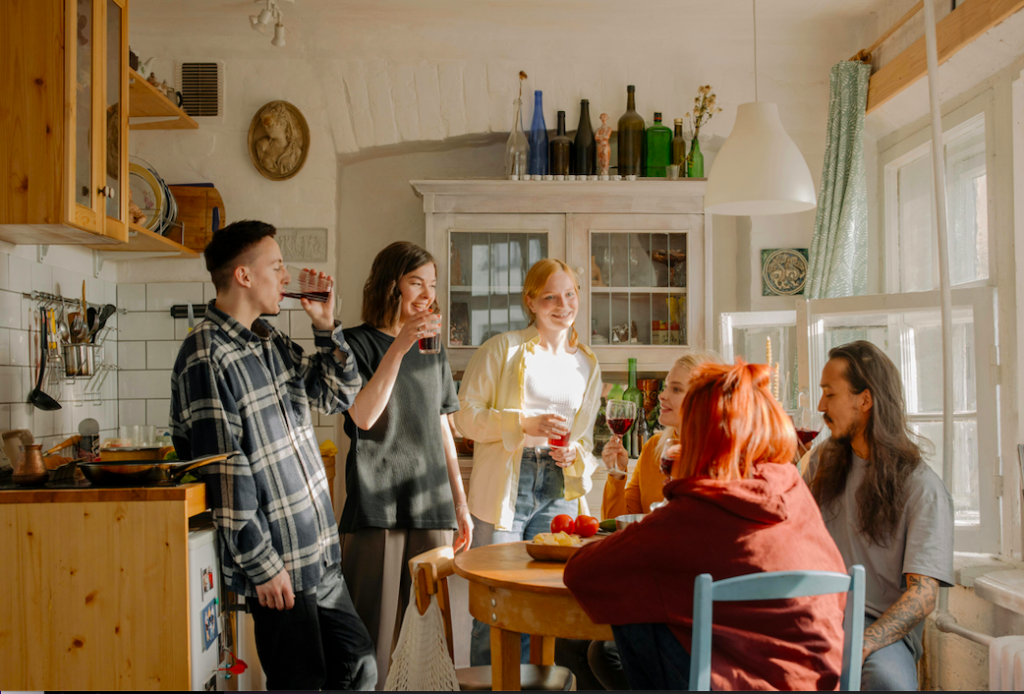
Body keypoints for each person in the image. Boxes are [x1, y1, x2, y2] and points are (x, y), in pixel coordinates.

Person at [170, 220, 376, 691]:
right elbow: (226, 472)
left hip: (318, 552)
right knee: (299, 681)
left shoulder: (270, 339)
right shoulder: (206, 355)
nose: (287, 277)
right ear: (243, 276)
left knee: (360, 666)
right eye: (277, 266)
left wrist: (325, 327)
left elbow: (337, 395)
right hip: (278, 561)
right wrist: (262, 565)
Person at [565, 360, 849, 691]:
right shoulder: (790, 483)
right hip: (822, 680)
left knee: (638, 613)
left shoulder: (696, 509)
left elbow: (581, 573)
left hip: (738, 683)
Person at [454, 259, 602, 666]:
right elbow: (463, 416)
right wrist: (524, 423)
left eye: (570, 294)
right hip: (507, 485)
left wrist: (576, 454)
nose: (563, 304)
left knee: (548, 602)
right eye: (551, 296)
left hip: (558, 488)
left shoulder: (587, 362)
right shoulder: (503, 349)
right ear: (531, 302)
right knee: (498, 603)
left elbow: (587, 439)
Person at [338, 242, 472, 687]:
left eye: (432, 285)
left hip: (430, 503)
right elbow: (363, 416)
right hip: (376, 505)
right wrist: (399, 345)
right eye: (417, 282)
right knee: (372, 644)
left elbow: (441, 428)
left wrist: (460, 502)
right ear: (390, 283)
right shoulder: (354, 343)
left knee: (430, 642)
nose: (426, 295)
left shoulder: (433, 349)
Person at [556, 348, 726, 690]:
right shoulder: (653, 450)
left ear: (703, 399)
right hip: (647, 585)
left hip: (683, 604)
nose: (662, 395)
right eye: (666, 386)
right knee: (570, 642)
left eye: (676, 389)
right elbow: (620, 524)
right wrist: (617, 474)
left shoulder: (718, 458)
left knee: (602, 652)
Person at [805, 341, 954, 691]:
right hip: (816, 615)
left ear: (865, 400)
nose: (820, 406)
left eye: (830, 393)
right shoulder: (820, 461)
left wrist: (863, 643)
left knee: (890, 684)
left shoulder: (923, 487)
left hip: (880, 632)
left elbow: (923, 595)